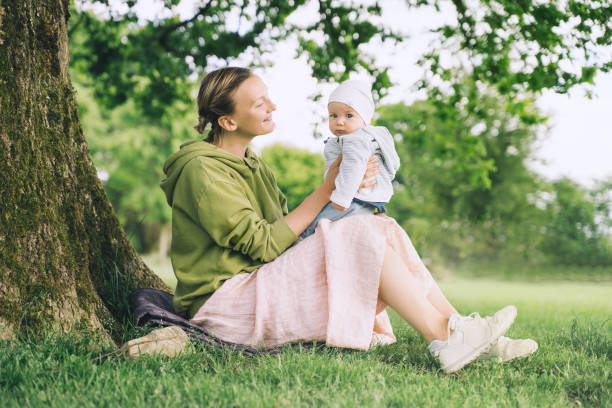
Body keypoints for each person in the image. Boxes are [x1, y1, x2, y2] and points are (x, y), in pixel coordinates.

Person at [160, 67, 537, 373]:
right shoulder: (201, 171)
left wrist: (353, 192)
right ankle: (447, 338)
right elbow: (262, 244)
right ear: (227, 121)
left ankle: (460, 330)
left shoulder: (253, 164)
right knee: (357, 230)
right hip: (225, 305)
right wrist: (329, 189)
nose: (272, 105)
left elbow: (289, 232)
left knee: (379, 225)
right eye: (259, 103)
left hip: (258, 282)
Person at [299, 80, 400, 239]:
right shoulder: (353, 139)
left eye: (348, 115)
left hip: (353, 199)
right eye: (333, 115)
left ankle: (302, 239)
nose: (339, 121)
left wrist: (341, 198)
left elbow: (353, 168)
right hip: (365, 198)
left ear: (364, 120)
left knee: (317, 223)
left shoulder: (356, 140)